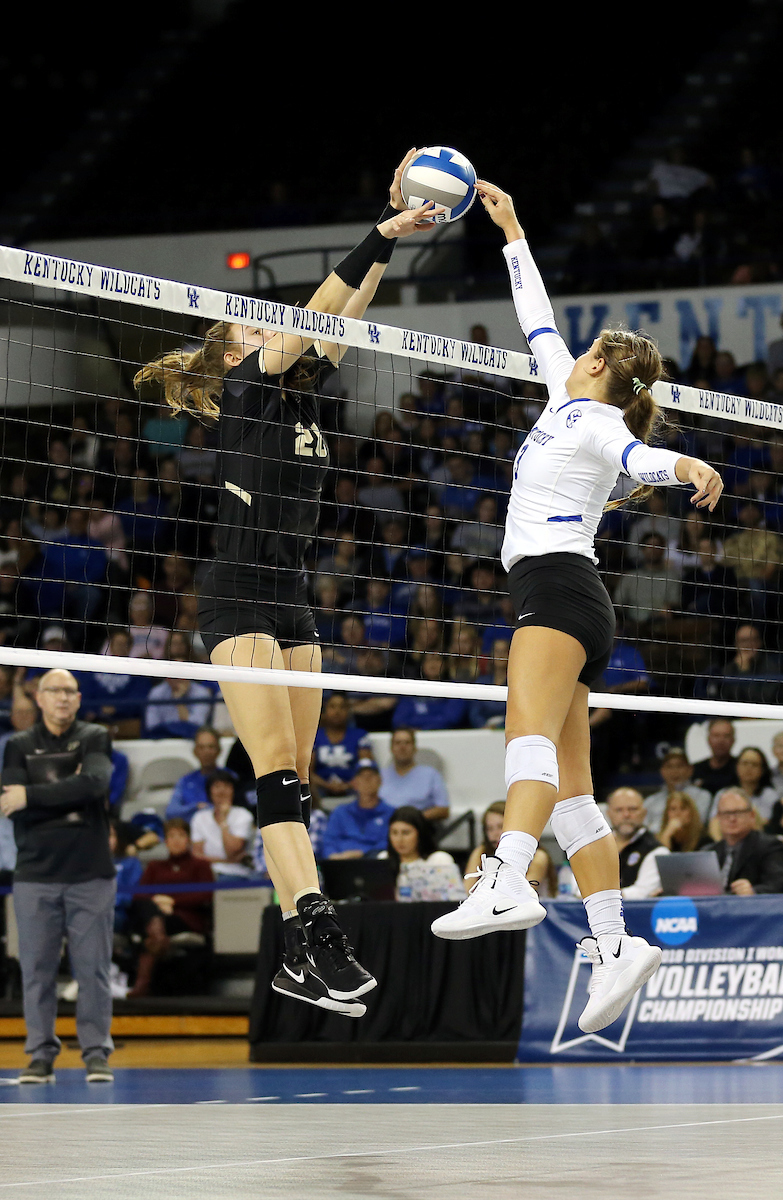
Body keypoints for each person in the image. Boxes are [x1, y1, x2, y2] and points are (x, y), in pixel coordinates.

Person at [134, 151, 435, 1017]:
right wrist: (377, 228)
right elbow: (310, 315)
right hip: (234, 594)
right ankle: (317, 933)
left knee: (297, 782)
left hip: (292, 593)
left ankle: (296, 961)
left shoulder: (302, 387)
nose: (272, 330)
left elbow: (341, 311)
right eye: (255, 326)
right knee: (271, 774)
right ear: (236, 351)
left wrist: (394, 238)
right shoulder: (247, 386)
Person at [432, 180, 723, 1036]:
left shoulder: (596, 422)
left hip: (557, 588)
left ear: (603, 365)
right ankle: (615, 943)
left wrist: (687, 470)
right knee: (573, 792)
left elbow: (639, 455)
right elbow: (535, 313)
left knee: (523, 737)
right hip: (570, 595)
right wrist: (515, 228)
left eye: (589, 348)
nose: (576, 349)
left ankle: (507, 876)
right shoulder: (567, 391)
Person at [0, 669, 115, 1083]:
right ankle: (40, 1054)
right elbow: (9, 801)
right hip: (34, 873)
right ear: (39, 698)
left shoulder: (95, 736)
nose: (62, 697)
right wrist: (71, 786)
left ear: (79, 698)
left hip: (91, 873)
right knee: (36, 969)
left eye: (69, 691)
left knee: (93, 969)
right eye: (54, 690)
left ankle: (96, 1052)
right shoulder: (18, 745)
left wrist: (32, 795)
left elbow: (96, 783)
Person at [128, 818, 215, 998]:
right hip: (158, 917)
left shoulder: (200, 866)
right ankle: (158, 937)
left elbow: (206, 895)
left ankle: (141, 984)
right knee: (148, 913)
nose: (176, 840)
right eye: (171, 836)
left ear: (188, 840)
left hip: (186, 919)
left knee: (149, 925)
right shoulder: (155, 866)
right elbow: (139, 895)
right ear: (165, 841)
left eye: (181, 835)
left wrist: (172, 902)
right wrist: (159, 902)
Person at [464, 801, 556, 897]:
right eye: (489, 829)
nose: (495, 834)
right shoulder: (481, 852)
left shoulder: (538, 856)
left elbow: (521, 895)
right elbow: (467, 891)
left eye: (500, 827)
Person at [711, 788, 783, 895]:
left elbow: (779, 884)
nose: (732, 818)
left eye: (738, 812)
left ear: (751, 815)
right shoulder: (710, 851)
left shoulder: (769, 846)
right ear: (718, 817)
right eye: (726, 813)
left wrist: (754, 891)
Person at [384, 805, 465, 901]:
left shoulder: (439, 860)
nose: (399, 839)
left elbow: (455, 899)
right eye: (394, 833)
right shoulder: (382, 859)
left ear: (420, 833)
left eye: (406, 833)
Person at [320, 759, 396, 861]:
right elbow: (329, 841)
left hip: (375, 864)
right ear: (354, 783)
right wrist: (332, 856)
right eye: (362, 776)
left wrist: (363, 853)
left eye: (371, 775)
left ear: (380, 780)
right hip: (340, 863)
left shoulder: (391, 813)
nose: (367, 780)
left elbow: (389, 843)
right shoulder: (340, 812)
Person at [309, 692, 373, 804]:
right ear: (324, 711)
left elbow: (367, 769)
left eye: (342, 707)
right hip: (319, 796)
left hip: (354, 795)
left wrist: (348, 785)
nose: (337, 711)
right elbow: (307, 772)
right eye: (332, 706)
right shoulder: (314, 736)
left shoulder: (359, 736)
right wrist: (327, 785)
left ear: (348, 710)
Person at [190, 770, 254, 876]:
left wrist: (223, 821)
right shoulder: (199, 817)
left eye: (226, 786)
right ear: (209, 791)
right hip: (206, 872)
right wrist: (227, 860)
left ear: (233, 790)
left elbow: (232, 850)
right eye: (217, 786)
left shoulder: (243, 815)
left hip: (236, 873)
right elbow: (197, 855)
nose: (221, 791)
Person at [379, 726, 449, 822]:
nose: (402, 747)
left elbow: (443, 810)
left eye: (407, 743)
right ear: (391, 748)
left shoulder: (431, 774)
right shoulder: (379, 775)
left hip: (419, 825)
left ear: (415, 748)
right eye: (398, 743)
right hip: (383, 825)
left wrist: (412, 819)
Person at [166, 726, 236, 820]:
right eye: (201, 747)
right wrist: (195, 807)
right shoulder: (185, 781)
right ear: (195, 751)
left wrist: (208, 809)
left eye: (211, 747)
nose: (206, 752)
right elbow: (171, 812)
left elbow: (241, 808)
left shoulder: (231, 777)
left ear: (219, 750)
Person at [641, 748, 712, 831]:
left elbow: (698, 824)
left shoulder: (702, 796)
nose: (674, 771)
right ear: (662, 771)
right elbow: (642, 828)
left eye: (680, 766)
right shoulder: (650, 801)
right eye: (669, 766)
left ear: (690, 770)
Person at [691, 718, 739, 796]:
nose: (721, 741)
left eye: (726, 736)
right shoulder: (695, 770)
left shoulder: (740, 769)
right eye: (716, 736)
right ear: (708, 739)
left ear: (733, 740)